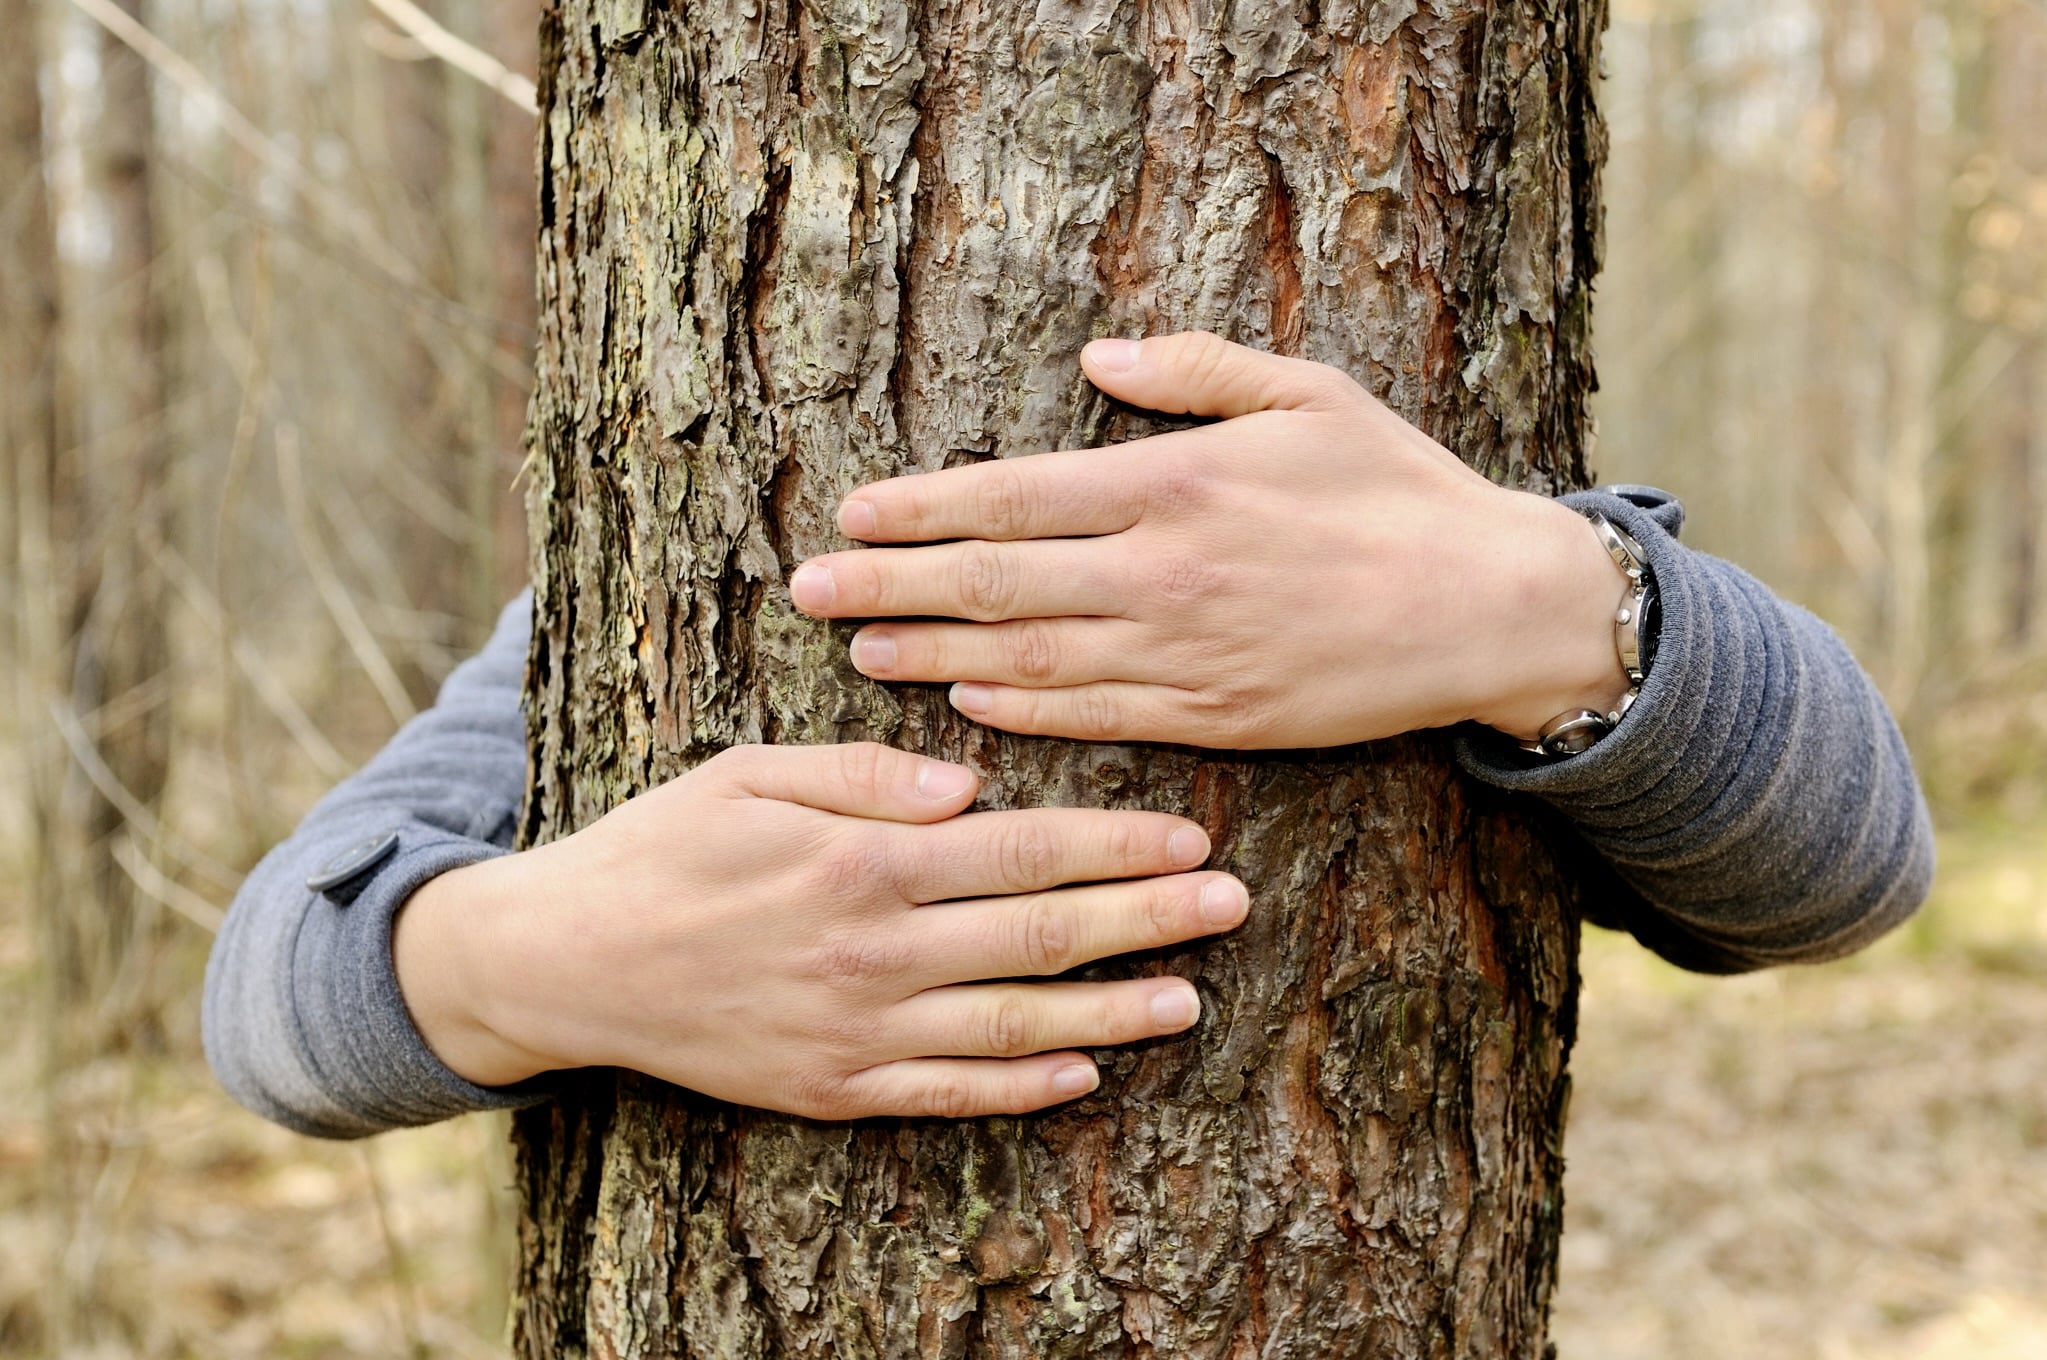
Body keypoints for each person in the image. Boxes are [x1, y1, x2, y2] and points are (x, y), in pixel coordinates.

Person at [203, 334, 1934, 1139]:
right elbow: (265, 1002)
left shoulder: (1441, 495)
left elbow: (1848, 877)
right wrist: (535, 961)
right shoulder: (639, 597)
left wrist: (1546, 608)